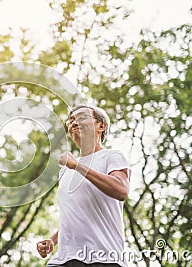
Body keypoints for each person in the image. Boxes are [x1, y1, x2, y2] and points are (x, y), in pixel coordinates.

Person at [36, 104, 131, 267]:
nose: (73, 122)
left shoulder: (111, 156)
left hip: (103, 257)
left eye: (81, 117)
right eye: (70, 120)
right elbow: (77, 212)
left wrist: (77, 166)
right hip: (64, 259)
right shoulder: (65, 170)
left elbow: (121, 190)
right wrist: (53, 240)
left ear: (101, 126)